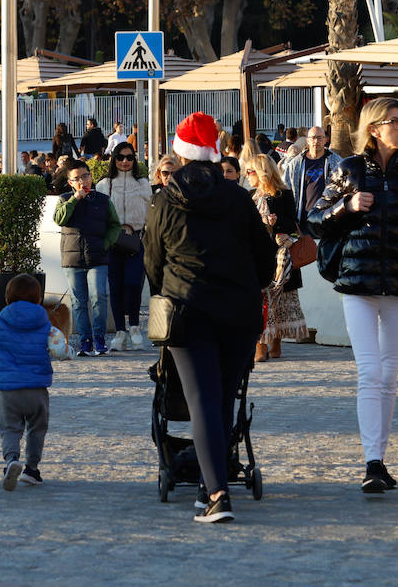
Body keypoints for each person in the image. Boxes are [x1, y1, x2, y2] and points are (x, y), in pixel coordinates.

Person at [308, 98, 398, 494]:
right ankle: (372, 460)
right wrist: (346, 207)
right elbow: (314, 220)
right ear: (374, 128)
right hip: (358, 285)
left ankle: (379, 458)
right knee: (370, 372)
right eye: (396, 122)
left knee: (389, 375)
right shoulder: (348, 170)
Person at [144, 112, 275, 523]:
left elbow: (153, 263)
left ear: (179, 156)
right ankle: (208, 484)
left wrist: (166, 291)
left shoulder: (164, 201)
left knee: (200, 400)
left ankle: (217, 492)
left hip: (187, 311)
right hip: (237, 312)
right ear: (215, 155)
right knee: (221, 398)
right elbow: (266, 259)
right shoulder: (237, 197)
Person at [0, 273, 73, 490]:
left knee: (10, 428)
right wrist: (71, 351)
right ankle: (32, 470)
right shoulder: (46, 325)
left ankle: (11, 460)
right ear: (39, 300)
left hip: (9, 390)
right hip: (37, 389)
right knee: (37, 428)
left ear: (6, 299)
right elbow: (60, 350)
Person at [54, 160, 121, 356]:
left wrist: (105, 244)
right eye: (77, 178)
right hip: (72, 259)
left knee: (98, 297)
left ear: (91, 176)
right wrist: (75, 199)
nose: (83, 181)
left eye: (85, 176)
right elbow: (59, 219)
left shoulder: (103, 199)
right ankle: (85, 341)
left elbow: (115, 225)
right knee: (78, 301)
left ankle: (99, 339)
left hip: (98, 257)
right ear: (70, 182)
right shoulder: (65, 199)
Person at [246, 154, 307, 362]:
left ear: (262, 172)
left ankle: (276, 342)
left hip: (280, 256)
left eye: (250, 171)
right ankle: (260, 345)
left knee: (279, 301)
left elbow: (293, 223)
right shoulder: (251, 195)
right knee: (260, 301)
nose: (247, 175)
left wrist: (276, 221)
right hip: (257, 255)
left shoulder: (283, 195)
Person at [95, 141, 151, 351]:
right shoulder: (104, 185)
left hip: (136, 240)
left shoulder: (143, 183)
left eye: (129, 157)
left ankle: (135, 327)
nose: (125, 161)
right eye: (120, 157)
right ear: (114, 159)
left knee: (134, 284)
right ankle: (120, 331)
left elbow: (150, 214)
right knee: (116, 287)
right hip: (113, 242)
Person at [281, 126, 340, 233]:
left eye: (320, 138)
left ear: (326, 139)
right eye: (312, 138)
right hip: (303, 223)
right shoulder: (296, 164)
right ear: (307, 140)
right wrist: (292, 221)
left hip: (327, 220)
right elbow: (287, 191)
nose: (316, 141)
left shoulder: (336, 162)